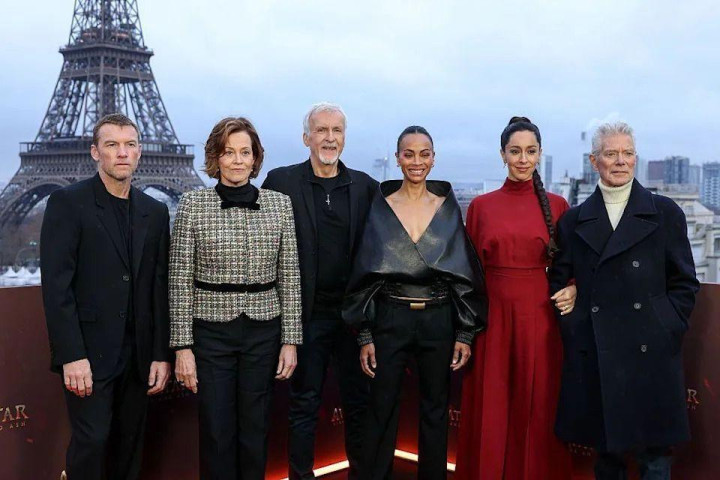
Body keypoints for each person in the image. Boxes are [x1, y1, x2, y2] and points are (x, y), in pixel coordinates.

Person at [549, 122, 699, 480]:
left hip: (653, 354)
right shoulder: (573, 221)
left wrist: (667, 326)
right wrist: (576, 304)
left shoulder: (665, 213)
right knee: (609, 460)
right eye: (611, 153)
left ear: (635, 158)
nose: (621, 161)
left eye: (627, 153)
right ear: (594, 160)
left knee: (655, 460)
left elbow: (685, 283)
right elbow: (557, 280)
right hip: (600, 355)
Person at [343, 125, 488, 480]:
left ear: (434, 159)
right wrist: (365, 334)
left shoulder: (447, 207)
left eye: (424, 154)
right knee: (381, 408)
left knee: (436, 411)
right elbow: (364, 270)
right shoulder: (381, 206)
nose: (416, 161)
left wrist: (465, 333)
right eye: (409, 154)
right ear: (397, 159)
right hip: (390, 317)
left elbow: (463, 271)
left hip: (438, 318)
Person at [40, 113, 172, 480]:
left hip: (139, 357)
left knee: (129, 450)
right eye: (112, 145)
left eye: (130, 145)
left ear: (140, 152)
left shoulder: (155, 212)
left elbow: (158, 287)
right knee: (91, 444)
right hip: (89, 355)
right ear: (95, 152)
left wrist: (160, 353)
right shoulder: (67, 203)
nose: (122, 153)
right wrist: (71, 356)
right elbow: (57, 287)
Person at [170, 117, 302, 480]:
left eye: (245, 152)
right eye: (229, 152)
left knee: (256, 429)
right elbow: (179, 281)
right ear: (216, 157)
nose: (238, 160)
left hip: (264, 332)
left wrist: (290, 340)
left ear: (256, 158)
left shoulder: (279, 205)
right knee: (216, 431)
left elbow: (290, 276)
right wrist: (182, 347)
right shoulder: (193, 204)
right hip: (210, 334)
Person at [262, 102, 378, 480]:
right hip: (305, 317)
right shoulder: (280, 182)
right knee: (304, 407)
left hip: (353, 317)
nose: (329, 138)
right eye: (321, 130)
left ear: (344, 137)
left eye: (337, 130)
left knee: (359, 406)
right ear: (306, 138)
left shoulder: (366, 187)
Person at [456, 116, 575, 480]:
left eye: (531, 151)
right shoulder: (481, 206)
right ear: (502, 155)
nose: (523, 159)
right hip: (491, 318)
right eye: (515, 151)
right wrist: (465, 331)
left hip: (540, 319)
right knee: (491, 403)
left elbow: (571, 265)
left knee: (537, 404)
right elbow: (468, 274)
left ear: (540, 154)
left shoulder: (558, 205)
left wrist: (573, 287)